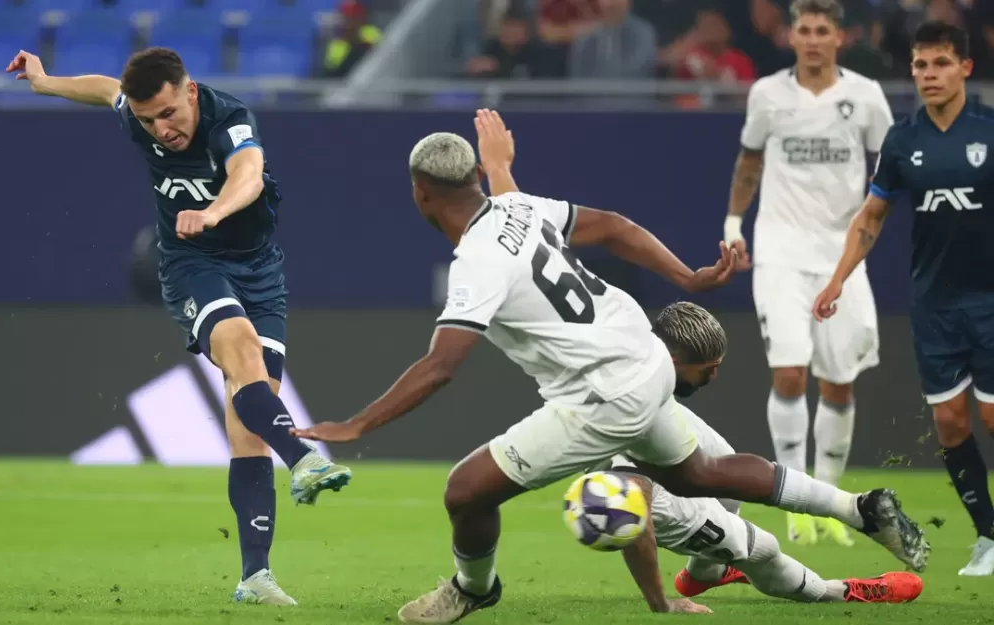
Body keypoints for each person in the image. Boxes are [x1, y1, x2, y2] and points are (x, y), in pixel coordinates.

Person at [291, 110, 929, 624]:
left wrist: (357, 424)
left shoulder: (475, 263)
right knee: (703, 471)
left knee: (465, 490)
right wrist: (686, 275)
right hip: (644, 357)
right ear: (477, 183)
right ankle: (858, 508)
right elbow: (614, 226)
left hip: (600, 397)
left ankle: (472, 589)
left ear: (419, 194)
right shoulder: (515, 208)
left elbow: (441, 368)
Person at [5, 48, 352, 604]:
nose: (160, 129)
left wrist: (213, 211)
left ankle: (255, 576)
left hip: (261, 272)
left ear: (190, 91)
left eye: (168, 113)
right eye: (147, 120)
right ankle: (304, 456)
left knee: (247, 418)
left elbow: (250, 175)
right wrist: (44, 83)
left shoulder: (228, 119)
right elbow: (102, 88)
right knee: (241, 352)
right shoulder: (137, 114)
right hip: (194, 265)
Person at [814, 20, 994, 577]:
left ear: (964, 68)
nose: (929, 75)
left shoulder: (989, 129)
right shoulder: (903, 141)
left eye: (940, 63)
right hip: (934, 305)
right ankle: (988, 537)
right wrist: (838, 277)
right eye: (920, 65)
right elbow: (871, 217)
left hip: (989, 300)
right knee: (950, 424)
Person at [723, 0, 894, 547]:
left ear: (839, 38)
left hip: (842, 257)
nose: (814, 39)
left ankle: (830, 500)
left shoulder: (865, 96)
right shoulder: (768, 94)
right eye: (805, 30)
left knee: (838, 382)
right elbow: (749, 162)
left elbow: (886, 171)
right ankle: (796, 501)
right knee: (790, 373)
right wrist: (733, 222)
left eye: (824, 30)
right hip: (779, 250)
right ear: (791, 37)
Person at [599, 403, 922, 613]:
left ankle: (706, 572)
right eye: (707, 368)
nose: (712, 376)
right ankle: (841, 592)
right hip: (647, 486)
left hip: (643, 417)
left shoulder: (639, 376)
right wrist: (661, 605)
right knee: (763, 550)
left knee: (727, 478)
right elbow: (635, 516)